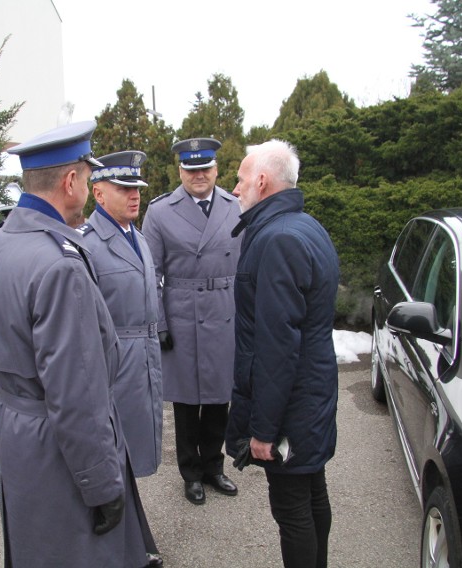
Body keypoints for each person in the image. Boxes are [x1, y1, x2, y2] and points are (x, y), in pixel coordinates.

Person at [0, 121, 159, 568]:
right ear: (72, 181)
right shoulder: (60, 265)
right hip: (61, 452)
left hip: (16, 433)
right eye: (87, 175)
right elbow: (77, 396)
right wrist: (102, 486)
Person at [225, 139, 340, 568]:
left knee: (293, 506)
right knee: (311, 492)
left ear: (261, 180)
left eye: (239, 179)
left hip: (293, 402)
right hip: (309, 394)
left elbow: (277, 346)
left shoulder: (278, 239)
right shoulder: (305, 226)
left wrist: (264, 431)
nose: (235, 189)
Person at [141, 137, 242, 505]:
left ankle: (214, 466)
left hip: (225, 309)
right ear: (179, 171)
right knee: (186, 401)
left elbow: (247, 268)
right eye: (191, 169)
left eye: (205, 168)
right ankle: (191, 472)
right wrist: (160, 323)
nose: (198, 175)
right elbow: (150, 273)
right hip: (182, 311)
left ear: (216, 170)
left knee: (219, 395)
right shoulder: (161, 211)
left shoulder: (235, 206)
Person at [79, 150, 163, 479]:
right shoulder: (88, 245)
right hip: (114, 364)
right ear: (98, 193)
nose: (135, 195)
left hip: (144, 359)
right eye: (124, 189)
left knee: (137, 452)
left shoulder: (138, 238)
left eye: (137, 188)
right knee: (112, 453)